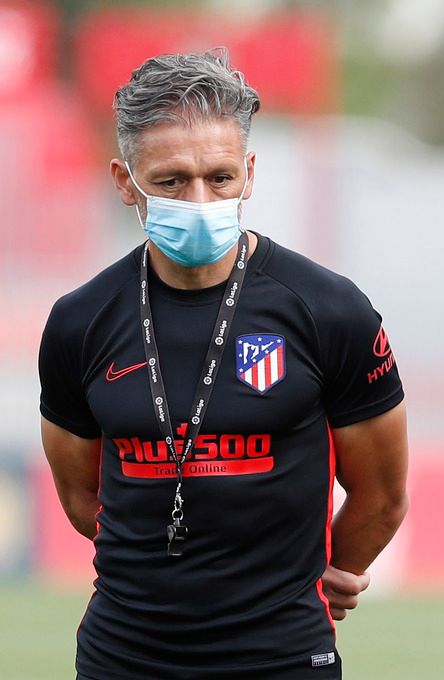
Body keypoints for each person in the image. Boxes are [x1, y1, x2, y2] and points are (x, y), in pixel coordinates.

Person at [38, 49, 408, 680]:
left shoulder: (329, 310)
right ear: (125, 181)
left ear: (250, 173)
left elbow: (382, 495)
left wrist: (317, 573)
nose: (200, 199)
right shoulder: (79, 321)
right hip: (123, 656)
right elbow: (81, 497)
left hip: (284, 656)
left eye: (220, 177)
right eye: (171, 181)